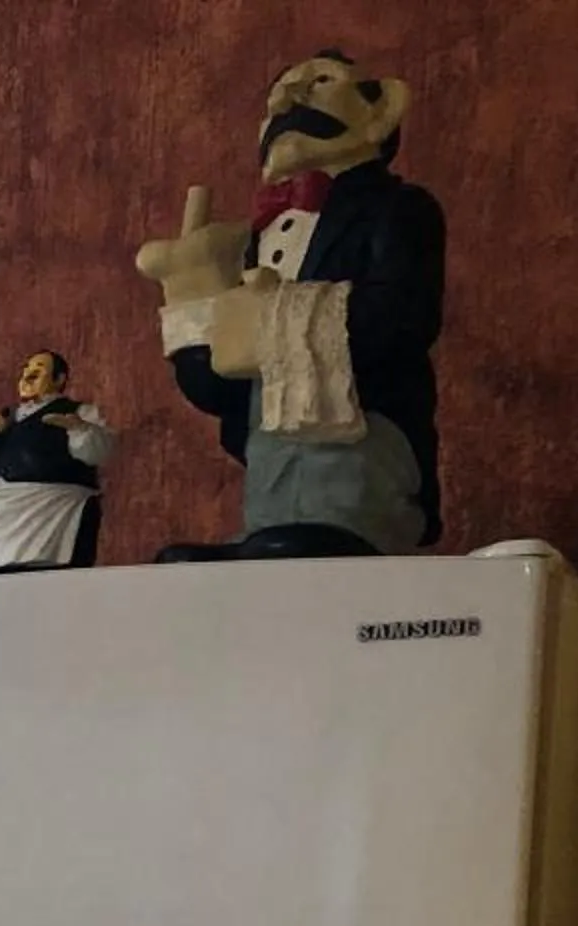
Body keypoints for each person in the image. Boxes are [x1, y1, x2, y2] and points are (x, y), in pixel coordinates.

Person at [136, 49, 444, 560]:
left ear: (381, 110)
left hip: (364, 447)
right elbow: (219, 389)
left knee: (324, 516)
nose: (290, 98)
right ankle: (270, 533)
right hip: (269, 468)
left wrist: (270, 318)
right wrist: (193, 302)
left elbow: (403, 318)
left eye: (320, 80)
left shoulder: (400, 209)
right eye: (278, 93)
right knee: (261, 538)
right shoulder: (255, 240)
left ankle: (341, 526)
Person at [0, 348, 115, 572]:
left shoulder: (78, 412)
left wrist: (79, 429)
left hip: (49, 514)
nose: (27, 375)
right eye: (26, 369)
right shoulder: (2, 419)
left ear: (59, 379)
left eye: (38, 370)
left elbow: (98, 452)